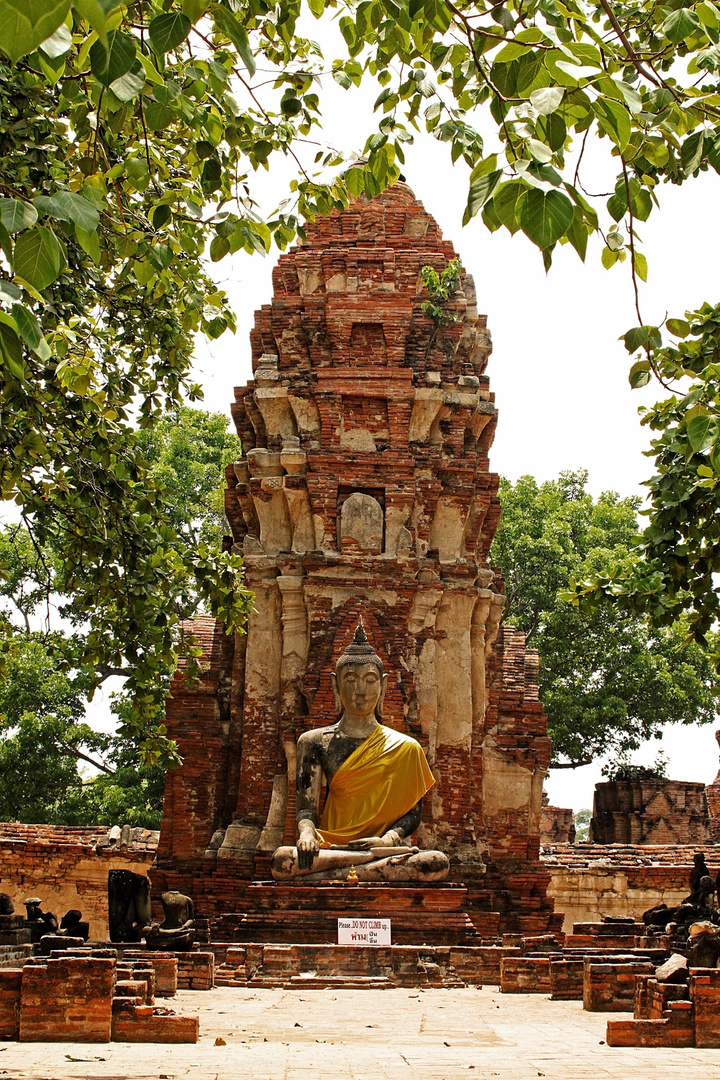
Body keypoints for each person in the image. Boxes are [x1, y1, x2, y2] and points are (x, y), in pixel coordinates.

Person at [271, 620, 449, 882]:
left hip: (382, 849)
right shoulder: (313, 741)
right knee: (282, 860)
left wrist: (389, 840)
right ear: (335, 685)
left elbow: (413, 814)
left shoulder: (407, 748)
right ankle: (362, 867)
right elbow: (306, 811)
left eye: (369, 680)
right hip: (331, 847)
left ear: (384, 685)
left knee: (435, 863)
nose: (360, 691)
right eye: (350, 680)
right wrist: (307, 834)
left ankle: (345, 870)